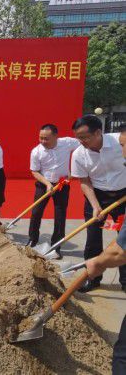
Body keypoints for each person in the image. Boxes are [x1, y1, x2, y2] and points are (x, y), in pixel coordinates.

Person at [86, 124, 126, 374]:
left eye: (124, 146)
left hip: (118, 196)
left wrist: (98, 263)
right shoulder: (81, 153)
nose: (123, 152)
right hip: (101, 196)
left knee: (122, 356)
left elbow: (121, 252)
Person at [71, 115, 126, 293]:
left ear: (98, 132)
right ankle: (92, 278)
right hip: (97, 195)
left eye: (84, 137)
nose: (81, 141)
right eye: (78, 137)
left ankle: (125, 281)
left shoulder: (120, 141)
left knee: (123, 241)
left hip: (123, 195)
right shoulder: (79, 154)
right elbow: (84, 181)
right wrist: (95, 206)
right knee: (93, 238)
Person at [27, 124, 80, 258]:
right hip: (43, 184)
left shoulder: (67, 143)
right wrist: (47, 184)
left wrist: (74, 170)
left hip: (62, 185)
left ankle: (56, 246)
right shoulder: (36, 151)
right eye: (41, 138)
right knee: (36, 211)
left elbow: (83, 148)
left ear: (56, 136)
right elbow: (34, 171)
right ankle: (32, 239)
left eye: (46, 138)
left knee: (60, 215)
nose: (43, 141)